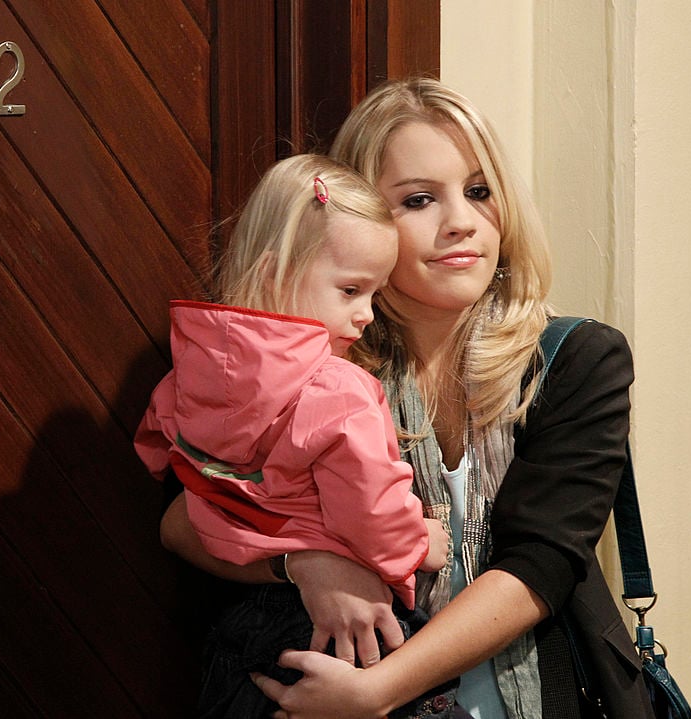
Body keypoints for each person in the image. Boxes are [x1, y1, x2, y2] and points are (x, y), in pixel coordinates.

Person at [162, 78, 655, 718]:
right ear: (359, 219)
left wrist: (376, 691)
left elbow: (542, 564)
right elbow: (185, 523)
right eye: (419, 199)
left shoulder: (576, 358)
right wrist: (305, 563)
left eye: (479, 191)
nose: (461, 222)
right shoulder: (310, 367)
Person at [134, 153, 453, 719]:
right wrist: (416, 544)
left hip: (238, 625)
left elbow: (157, 445)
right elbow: (370, 506)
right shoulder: (340, 388)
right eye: (351, 290)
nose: (367, 315)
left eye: (373, 295)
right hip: (337, 632)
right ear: (273, 275)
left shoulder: (189, 369)